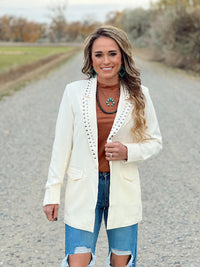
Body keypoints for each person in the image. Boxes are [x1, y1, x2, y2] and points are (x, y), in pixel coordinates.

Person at [43, 25, 162, 267]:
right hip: (82, 188)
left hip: (123, 190)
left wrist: (128, 151)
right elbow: (61, 146)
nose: (105, 60)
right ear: (90, 58)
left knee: (122, 263)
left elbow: (155, 142)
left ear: (123, 56)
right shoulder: (74, 92)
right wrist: (52, 194)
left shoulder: (140, 94)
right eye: (99, 55)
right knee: (77, 261)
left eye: (112, 53)